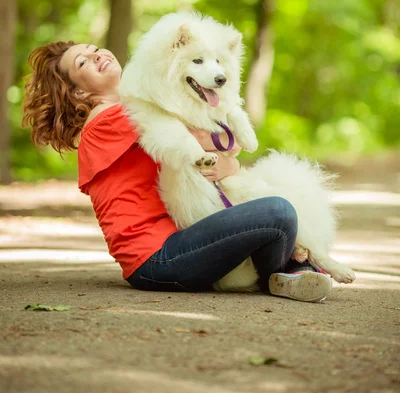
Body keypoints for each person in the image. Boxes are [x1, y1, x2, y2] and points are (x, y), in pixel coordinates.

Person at [22, 41, 332, 302]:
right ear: (77, 94)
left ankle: (286, 275)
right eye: (83, 63)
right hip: (158, 257)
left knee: (274, 199)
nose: (98, 56)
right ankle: (291, 270)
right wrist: (230, 156)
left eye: (96, 50)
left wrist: (229, 162)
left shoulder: (137, 107)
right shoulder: (108, 120)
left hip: (184, 240)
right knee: (277, 211)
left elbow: (217, 140)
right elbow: (214, 133)